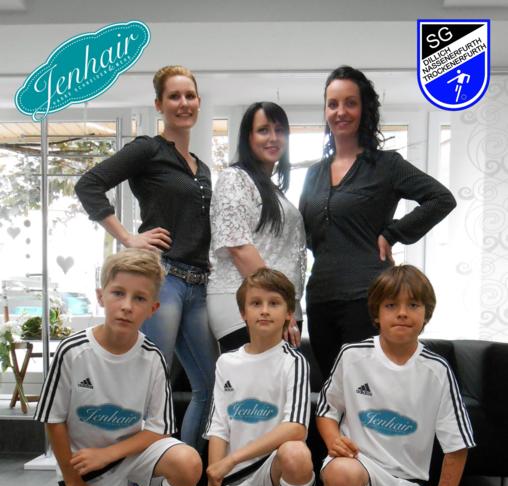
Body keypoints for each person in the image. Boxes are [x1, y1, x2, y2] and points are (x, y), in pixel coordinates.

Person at [75, 65, 218, 454]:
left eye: (189, 96)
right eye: (174, 96)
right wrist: (127, 238)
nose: (183, 103)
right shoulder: (148, 149)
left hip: (200, 285)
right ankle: (138, 472)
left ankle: (182, 473)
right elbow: (88, 185)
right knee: (152, 383)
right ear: (159, 105)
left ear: (198, 102)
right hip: (164, 280)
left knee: (210, 385)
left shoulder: (202, 169)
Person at [34, 250, 202, 486]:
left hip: (130, 452)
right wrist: (73, 483)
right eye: (118, 293)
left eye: (139, 298)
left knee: (188, 462)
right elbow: (54, 421)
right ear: (101, 296)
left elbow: (158, 428)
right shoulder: (72, 352)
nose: (127, 306)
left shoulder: (152, 357)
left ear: (153, 308)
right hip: (84, 466)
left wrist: (108, 453)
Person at [317, 265, 475, 486]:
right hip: (358, 469)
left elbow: (457, 445)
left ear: (426, 313)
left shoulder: (437, 370)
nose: (402, 313)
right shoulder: (352, 355)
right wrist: (333, 439)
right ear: (377, 313)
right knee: (342, 472)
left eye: (412, 305)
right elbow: (326, 411)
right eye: (391, 305)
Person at [300, 65, 457, 380]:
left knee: (370, 390)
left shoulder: (386, 165)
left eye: (350, 103)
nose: (340, 112)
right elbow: (307, 234)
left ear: (365, 109)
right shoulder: (314, 173)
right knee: (335, 391)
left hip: (367, 298)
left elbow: (441, 199)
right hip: (320, 299)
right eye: (333, 104)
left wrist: (393, 233)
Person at [201, 268, 315, 486]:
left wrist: (232, 459)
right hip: (235, 479)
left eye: (274, 303)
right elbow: (218, 428)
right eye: (256, 303)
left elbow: (296, 428)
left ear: (289, 314)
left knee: (296, 452)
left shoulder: (294, 362)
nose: (264, 310)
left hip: (273, 470)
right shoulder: (226, 362)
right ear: (243, 313)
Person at [207, 102, 306, 353]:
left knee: (281, 378)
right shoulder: (234, 178)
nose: (273, 137)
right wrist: (274, 303)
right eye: (263, 130)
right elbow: (239, 247)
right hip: (246, 301)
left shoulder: (271, 188)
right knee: (252, 379)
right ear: (248, 137)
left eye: (280, 130)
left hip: (276, 303)